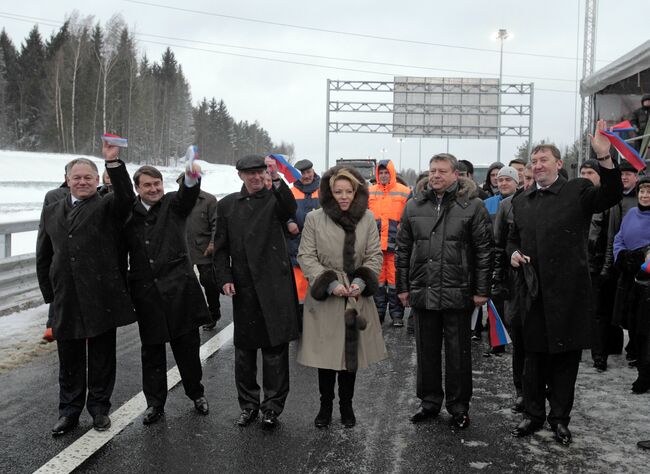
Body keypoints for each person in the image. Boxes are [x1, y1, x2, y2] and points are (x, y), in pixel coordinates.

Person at [508, 121, 622, 445]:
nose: (538, 166)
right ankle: (533, 415)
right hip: (533, 293)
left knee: (564, 360)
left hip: (569, 293)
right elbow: (512, 239)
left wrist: (605, 158)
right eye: (534, 161)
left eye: (544, 160)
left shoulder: (578, 191)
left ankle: (560, 419)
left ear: (559, 164)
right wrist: (513, 253)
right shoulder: (522, 200)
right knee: (533, 359)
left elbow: (611, 194)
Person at [36, 146, 136, 436]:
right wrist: (50, 294)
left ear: (96, 180)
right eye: (76, 177)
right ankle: (68, 412)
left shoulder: (108, 206)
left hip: (100, 295)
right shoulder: (53, 208)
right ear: (67, 180)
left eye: (88, 178)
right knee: (69, 359)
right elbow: (44, 252)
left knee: (102, 356)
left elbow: (127, 197)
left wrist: (113, 162)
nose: (82, 182)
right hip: (65, 297)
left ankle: (99, 409)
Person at [396, 153, 493, 429]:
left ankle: (459, 406)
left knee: (458, 353)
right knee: (426, 351)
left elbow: (483, 252)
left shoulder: (473, 206)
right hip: (424, 290)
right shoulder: (414, 205)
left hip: (457, 291)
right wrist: (402, 287)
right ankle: (429, 402)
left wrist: (481, 290)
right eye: (432, 170)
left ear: (455, 175)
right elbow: (403, 250)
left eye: (441, 171)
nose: (435, 175)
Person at [121, 161, 212, 425]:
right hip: (147, 292)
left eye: (157, 183)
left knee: (188, 350)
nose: (154, 189)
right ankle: (154, 404)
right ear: (137, 188)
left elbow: (188, 195)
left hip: (180, 290)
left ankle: (197, 394)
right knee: (152, 353)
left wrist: (191, 176)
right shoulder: (128, 213)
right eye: (147, 185)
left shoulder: (173, 204)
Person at [297, 166, 387, 428]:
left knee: (351, 356)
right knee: (325, 356)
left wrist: (360, 282)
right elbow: (306, 256)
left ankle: (346, 405)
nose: (344, 196)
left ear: (357, 192)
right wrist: (329, 283)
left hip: (356, 296)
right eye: (338, 191)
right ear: (329, 192)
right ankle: (325, 406)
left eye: (349, 191)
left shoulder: (368, 217)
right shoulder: (315, 218)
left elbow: (374, 255)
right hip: (326, 295)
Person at [213, 155, 299, 429]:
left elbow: (290, 208)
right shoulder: (227, 205)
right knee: (245, 353)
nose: (255, 177)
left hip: (275, 285)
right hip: (245, 287)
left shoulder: (275, 199)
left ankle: (272, 407)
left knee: (275, 351)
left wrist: (277, 178)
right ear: (240, 175)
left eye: (259, 172)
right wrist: (224, 277)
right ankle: (248, 405)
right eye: (249, 173)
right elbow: (221, 247)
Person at [613, 176, 650, 393]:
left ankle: (645, 375)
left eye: (649, 191)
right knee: (635, 329)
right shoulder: (631, 215)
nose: (645, 195)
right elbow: (618, 239)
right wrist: (623, 256)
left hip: (648, 283)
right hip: (631, 281)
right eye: (642, 191)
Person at [602, 160, 640, 362]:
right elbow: (610, 232)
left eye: (628, 174)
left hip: (639, 262)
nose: (624, 177)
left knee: (636, 309)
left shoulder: (640, 198)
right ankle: (615, 345)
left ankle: (635, 347)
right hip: (618, 257)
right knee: (615, 306)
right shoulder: (614, 198)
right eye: (621, 174)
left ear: (636, 176)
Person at [368, 159, 411, 327]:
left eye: (386, 172)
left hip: (396, 244)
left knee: (395, 280)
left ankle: (397, 315)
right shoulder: (369, 192)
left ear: (392, 173)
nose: (383, 175)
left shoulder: (404, 192)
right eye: (381, 173)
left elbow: (408, 217)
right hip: (375, 244)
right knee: (377, 280)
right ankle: (377, 313)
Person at [483, 166, 520, 357]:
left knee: (514, 304)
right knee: (495, 302)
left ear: (517, 182)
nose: (503, 183)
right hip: (494, 257)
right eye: (500, 180)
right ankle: (496, 342)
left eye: (508, 180)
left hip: (514, 260)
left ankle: (515, 340)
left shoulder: (521, 202)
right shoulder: (488, 203)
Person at [176, 173, 221, 330]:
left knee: (209, 282)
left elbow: (217, 224)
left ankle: (213, 312)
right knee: (184, 284)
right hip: (182, 250)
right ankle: (190, 314)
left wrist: (213, 243)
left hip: (204, 249)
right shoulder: (174, 201)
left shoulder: (209, 200)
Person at [286, 159, 321, 314]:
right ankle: (301, 319)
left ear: (313, 171)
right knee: (299, 285)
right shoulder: (290, 192)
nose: (306, 176)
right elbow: (284, 212)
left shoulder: (324, 190)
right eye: (302, 173)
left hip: (321, 244)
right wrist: (289, 222)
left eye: (308, 172)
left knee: (320, 280)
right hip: (296, 243)